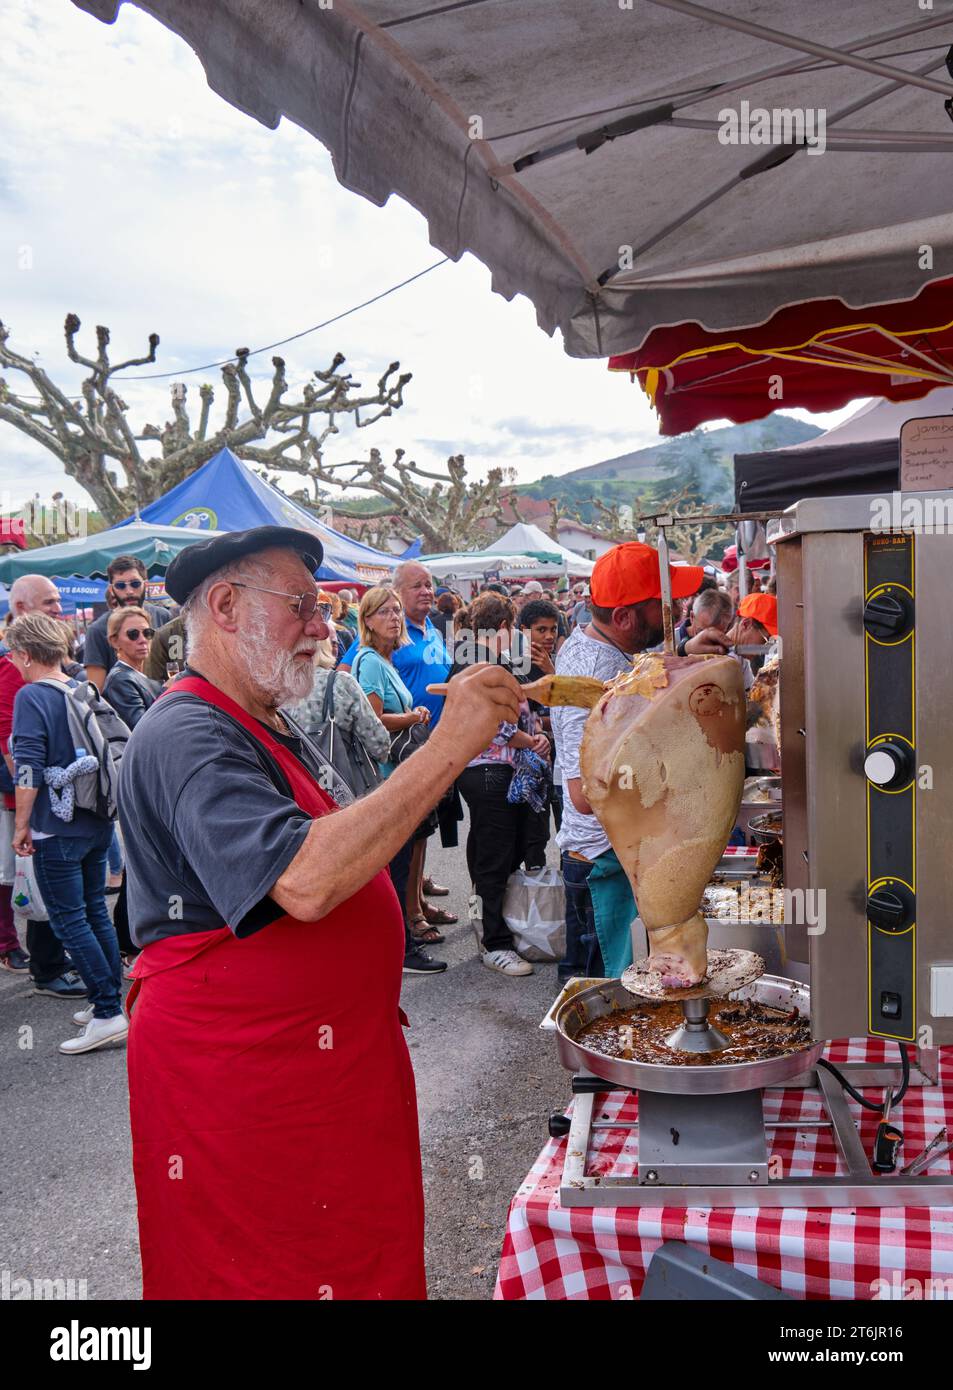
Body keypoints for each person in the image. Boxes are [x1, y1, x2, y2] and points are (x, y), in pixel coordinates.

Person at [117, 524, 521, 1299]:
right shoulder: (187, 731)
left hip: (317, 1068)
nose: (320, 625)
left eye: (322, 605)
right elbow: (302, 881)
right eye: (301, 605)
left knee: (350, 1252)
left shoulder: (269, 717)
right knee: (270, 1270)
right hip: (244, 1080)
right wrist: (449, 746)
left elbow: (345, 834)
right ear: (228, 606)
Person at [551, 541, 716, 985]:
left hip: (626, 856)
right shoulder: (588, 677)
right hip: (603, 862)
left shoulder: (614, 651)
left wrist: (684, 649)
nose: (678, 608)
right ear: (624, 617)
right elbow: (584, 795)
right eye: (662, 605)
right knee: (612, 993)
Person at [8, 615, 125, 1054]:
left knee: (68, 918)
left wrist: (21, 825)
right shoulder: (80, 686)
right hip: (95, 818)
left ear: (23, 653)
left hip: (55, 824)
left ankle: (109, 1011)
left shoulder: (31, 695)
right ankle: (109, 1002)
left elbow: (28, 765)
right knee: (94, 910)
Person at [340, 562, 455, 921]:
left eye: (429, 585)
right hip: (398, 755)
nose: (427, 591)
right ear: (399, 592)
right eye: (417, 586)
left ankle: (417, 896)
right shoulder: (370, 654)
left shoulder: (431, 629)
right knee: (405, 838)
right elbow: (351, 687)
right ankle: (408, 915)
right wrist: (411, 716)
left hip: (428, 748)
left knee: (422, 831)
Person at [451, 593, 550, 978]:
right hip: (487, 769)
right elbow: (490, 720)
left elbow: (521, 710)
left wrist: (535, 733)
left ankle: (485, 923)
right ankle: (494, 943)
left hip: (498, 769)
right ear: (506, 628)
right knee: (495, 856)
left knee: (489, 853)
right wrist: (529, 741)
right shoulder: (474, 660)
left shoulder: (490, 658)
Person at [0, 576, 88, 996]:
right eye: (49, 602)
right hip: (31, 800)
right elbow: (12, 746)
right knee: (31, 881)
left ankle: (55, 959)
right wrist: (26, 807)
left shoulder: (57, 667)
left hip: (53, 798)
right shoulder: (11, 669)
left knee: (53, 885)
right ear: (21, 606)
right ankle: (47, 968)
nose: (58, 607)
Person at [351, 586, 445, 972]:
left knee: (404, 862)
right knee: (395, 866)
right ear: (367, 620)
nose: (393, 617)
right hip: (387, 776)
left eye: (395, 611)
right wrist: (412, 717)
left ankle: (400, 942)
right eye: (384, 612)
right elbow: (371, 722)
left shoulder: (385, 661)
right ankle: (400, 950)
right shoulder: (370, 661)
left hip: (401, 772)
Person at [83, 556, 169, 692]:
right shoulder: (98, 629)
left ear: (145, 584)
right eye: (121, 585)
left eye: (135, 584)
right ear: (112, 589)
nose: (129, 591)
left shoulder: (163, 616)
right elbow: (96, 692)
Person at [102, 608, 162, 729]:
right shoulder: (120, 679)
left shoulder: (134, 674)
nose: (143, 640)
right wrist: (167, 691)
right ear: (115, 641)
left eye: (147, 633)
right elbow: (142, 729)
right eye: (133, 634)